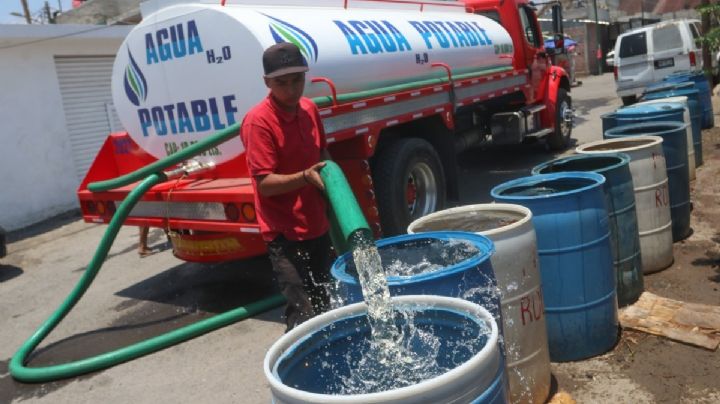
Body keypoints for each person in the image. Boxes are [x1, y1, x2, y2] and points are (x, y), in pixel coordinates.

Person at [240, 42, 335, 332]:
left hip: (317, 223)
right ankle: (300, 371)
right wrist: (305, 177)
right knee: (301, 310)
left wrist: (337, 198)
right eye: (282, 83)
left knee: (326, 300)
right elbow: (265, 184)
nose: (292, 90)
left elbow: (323, 156)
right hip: (285, 232)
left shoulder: (308, 109)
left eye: (298, 80)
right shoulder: (259, 122)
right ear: (266, 82)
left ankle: (332, 359)